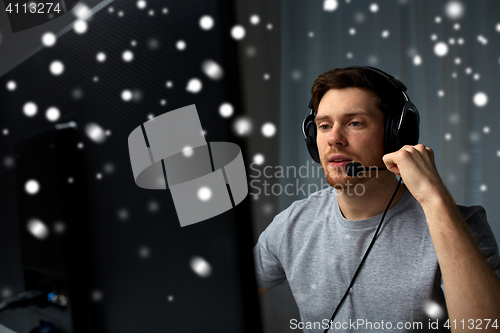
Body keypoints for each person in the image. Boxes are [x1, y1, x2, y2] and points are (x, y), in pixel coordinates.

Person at [253, 66, 500, 332]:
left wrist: (433, 197)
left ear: (395, 135)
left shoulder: (461, 225)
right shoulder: (293, 223)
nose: (334, 139)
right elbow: (219, 297)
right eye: (324, 126)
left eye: (354, 123)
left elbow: (485, 327)